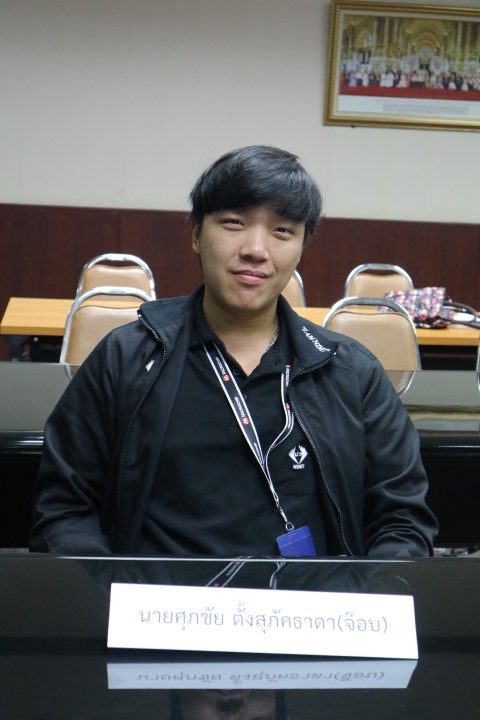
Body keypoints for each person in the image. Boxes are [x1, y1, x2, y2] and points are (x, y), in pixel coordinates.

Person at [30, 145, 437, 558]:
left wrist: (363, 592)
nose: (256, 249)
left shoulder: (352, 373)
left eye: (282, 231)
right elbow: (64, 509)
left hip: (307, 596)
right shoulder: (126, 358)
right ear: (196, 233)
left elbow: (402, 521)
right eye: (233, 222)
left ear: (301, 247)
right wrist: (109, 589)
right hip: (159, 595)